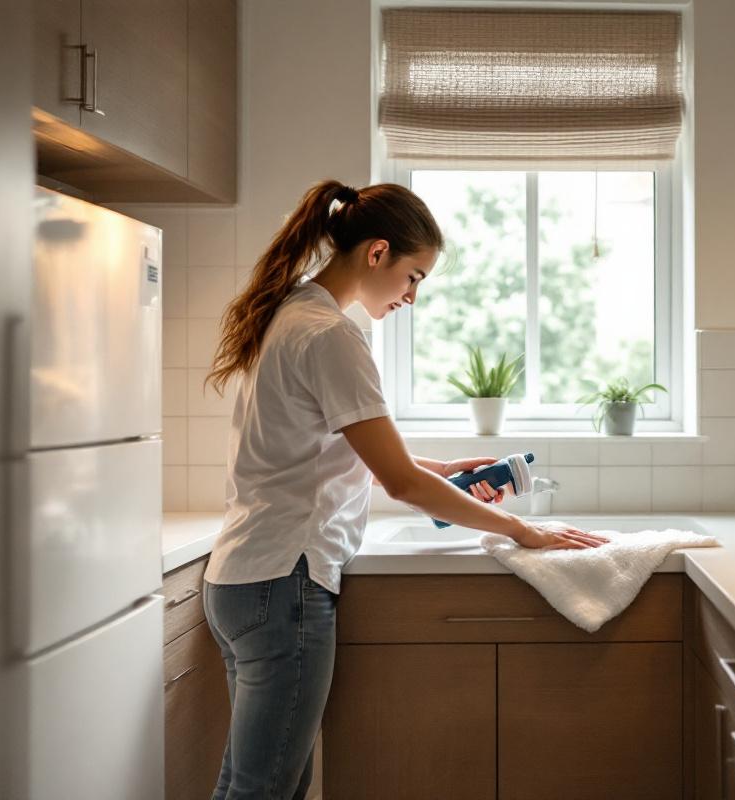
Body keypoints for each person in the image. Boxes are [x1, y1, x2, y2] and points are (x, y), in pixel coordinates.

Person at [200, 180, 607, 799]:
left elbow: (324, 447)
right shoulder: (332, 334)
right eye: (414, 276)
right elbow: (398, 481)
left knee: (256, 783)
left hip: (243, 580)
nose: (412, 296)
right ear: (377, 252)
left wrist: (438, 470)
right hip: (284, 582)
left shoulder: (291, 312)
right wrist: (523, 530)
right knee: (264, 789)